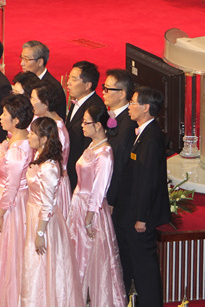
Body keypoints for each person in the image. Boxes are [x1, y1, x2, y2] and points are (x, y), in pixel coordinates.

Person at [113, 86, 169, 307]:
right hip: (130, 212)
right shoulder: (143, 133)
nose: (130, 107)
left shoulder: (152, 138)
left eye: (133, 103)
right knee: (133, 264)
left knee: (145, 269)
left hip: (140, 218)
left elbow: (148, 182)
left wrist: (142, 218)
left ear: (146, 107)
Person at [67, 104, 126, 307]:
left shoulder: (105, 153)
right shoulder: (92, 145)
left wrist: (89, 217)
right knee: (77, 255)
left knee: (90, 258)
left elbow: (100, 189)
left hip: (91, 210)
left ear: (98, 126)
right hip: (78, 205)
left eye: (86, 122)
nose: (82, 126)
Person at [20, 116, 83, 306]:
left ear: (44, 138)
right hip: (34, 214)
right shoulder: (39, 158)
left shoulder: (48, 167)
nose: (29, 136)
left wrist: (40, 233)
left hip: (44, 221)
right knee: (34, 267)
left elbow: (48, 204)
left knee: (40, 266)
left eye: (33, 133)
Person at [0, 94, 33, 307]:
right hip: (9, 199)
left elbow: (12, 185)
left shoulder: (18, 149)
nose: (0, 117)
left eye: (5, 114)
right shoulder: (18, 142)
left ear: (16, 120)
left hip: (10, 205)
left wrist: (0, 212)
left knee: (8, 253)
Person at [30, 83, 71, 219]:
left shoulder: (57, 130)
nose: (30, 102)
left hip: (52, 185)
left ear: (46, 103)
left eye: (33, 99)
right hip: (41, 181)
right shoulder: (43, 122)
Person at [66, 60, 105, 190]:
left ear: (87, 85)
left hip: (80, 174)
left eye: (74, 79)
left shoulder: (95, 108)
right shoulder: (78, 100)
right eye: (69, 77)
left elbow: (90, 144)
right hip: (70, 167)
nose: (68, 82)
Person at [102, 69, 137, 208]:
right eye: (103, 87)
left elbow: (119, 163)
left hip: (117, 197)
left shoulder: (128, 124)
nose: (103, 92)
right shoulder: (111, 114)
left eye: (107, 89)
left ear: (122, 94)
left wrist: (111, 199)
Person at [20, 40, 67, 119]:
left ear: (40, 62)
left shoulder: (52, 87)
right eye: (22, 58)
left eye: (26, 59)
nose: (22, 63)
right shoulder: (25, 80)